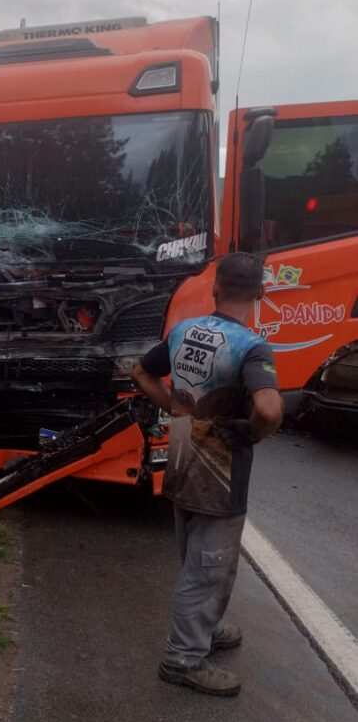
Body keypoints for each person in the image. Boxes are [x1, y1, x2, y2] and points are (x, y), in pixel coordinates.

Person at [132, 253, 283, 696]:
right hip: (220, 479)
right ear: (260, 293)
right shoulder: (251, 346)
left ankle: (207, 629)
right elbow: (269, 408)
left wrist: (179, 410)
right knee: (207, 571)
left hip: (181, 465)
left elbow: (141, 372)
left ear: (215, 289)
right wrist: (253, 433)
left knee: (200, 561)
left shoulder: (184, 331)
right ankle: (182, 659)